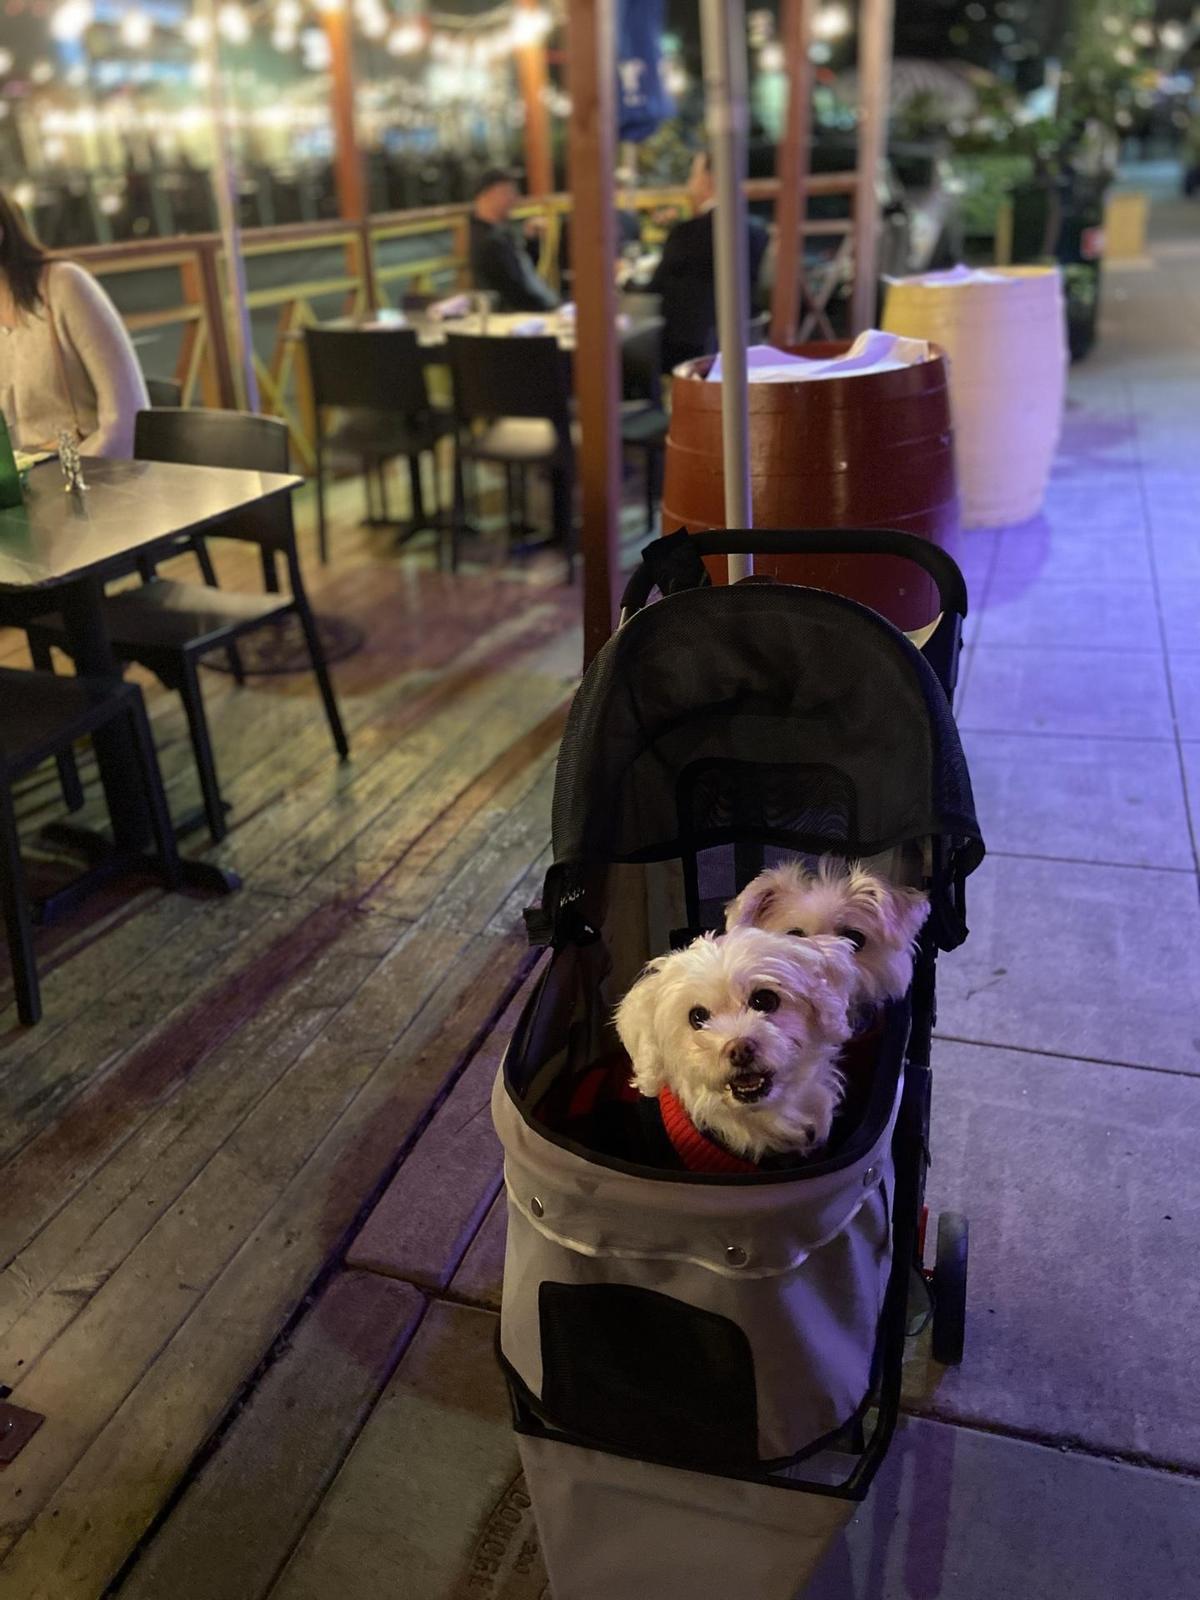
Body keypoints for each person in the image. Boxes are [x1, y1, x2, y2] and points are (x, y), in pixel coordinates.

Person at [0, 188, 148, 457]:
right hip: (30, 490)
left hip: (98, 479)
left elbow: (127, 420)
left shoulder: (65, 285)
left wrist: (70, 478)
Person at [647, 151, 769, 371]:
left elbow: (656, 286)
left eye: (693, 176)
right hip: (746, 338)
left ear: (707, 180)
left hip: (690, 348)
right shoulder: (756, 231)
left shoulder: (687, 233)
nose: (689, 184)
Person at [468, 167, 560, 314]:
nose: (514, 199)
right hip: (527, 316)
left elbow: (524, 274)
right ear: (487, 196)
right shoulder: (489, 241)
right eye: (507, 193)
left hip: (540, 306)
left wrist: (531, 240)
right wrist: (551, 310)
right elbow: (515, 293)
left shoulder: (499, 232)